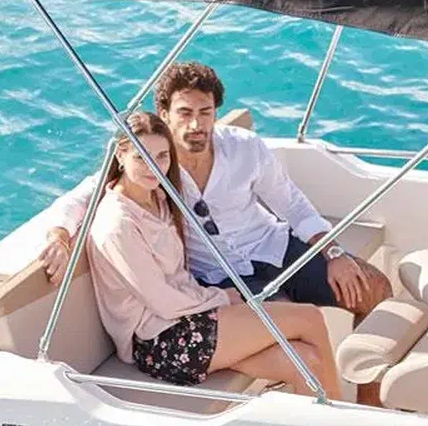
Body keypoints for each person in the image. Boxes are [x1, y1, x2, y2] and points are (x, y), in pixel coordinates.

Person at [41, 61, 391, 404]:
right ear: (164, 114)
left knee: (374, 288)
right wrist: (59, 236)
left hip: (272, 248)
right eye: (184, 113)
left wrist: (333, 253)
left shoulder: (241, 148)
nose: (196, 124)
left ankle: (369, 408)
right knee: (295, 335)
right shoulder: (152, 169)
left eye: (205, 112)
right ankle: (330, 417)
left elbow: (293, 205)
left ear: (215, 112)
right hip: (215, 282)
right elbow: (82, 199)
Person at [83, 110, 344, 398]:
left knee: (307, 362)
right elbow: (163, 302)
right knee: (309, 318)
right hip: (161, 341)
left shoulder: (159, 197)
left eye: (162, 156)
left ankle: (324, 421)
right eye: (142, 157)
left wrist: (215, 299)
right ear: (120, 155)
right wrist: (222, 298)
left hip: (192, 316)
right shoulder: (117, 224)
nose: (153, 167)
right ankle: (347, 418)